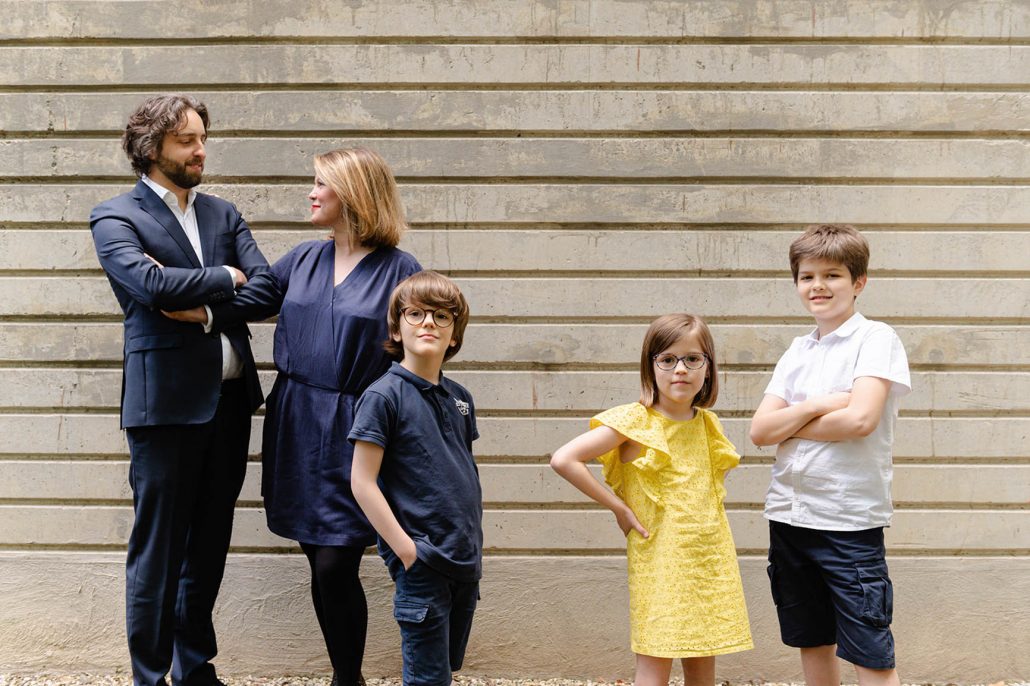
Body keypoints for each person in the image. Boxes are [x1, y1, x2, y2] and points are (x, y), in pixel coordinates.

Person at [90, 94, 273, 686]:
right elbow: (148, 285)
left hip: (229, 405)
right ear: (151, 150)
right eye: (186, 141)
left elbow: (268, 289)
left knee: (209, 547)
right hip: (164, 408)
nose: (200, 151)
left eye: (201, 139)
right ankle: (150, 675)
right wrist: (224, 277)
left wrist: (207, 312)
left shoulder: (223, 213)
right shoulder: (116, 216)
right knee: (158, 552)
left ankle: (195, 669)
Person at [550, 313, 752, 686]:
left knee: (702, 662)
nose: (681, 369)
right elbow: (564, 459)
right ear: (651, 365)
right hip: (659, 562)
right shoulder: (635, 422)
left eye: (693, 359)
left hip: (709, 559)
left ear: (708, 368)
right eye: (668, 359)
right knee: (654, 665)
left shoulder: (708, 424)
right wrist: (619, 506)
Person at [749, 224, 911, 686]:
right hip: (789, 517)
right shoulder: (797, 351)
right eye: (807, 276)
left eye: (832, 275)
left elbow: (860, 420)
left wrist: (792, 426)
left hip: (848, 522)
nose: (818, 286)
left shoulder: (876, 339)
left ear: (858, 282)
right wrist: (819, 405)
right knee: (812, 639)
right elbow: (760, 431)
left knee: (869, 648)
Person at [349, 271, 481, 686]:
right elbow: (362, 482)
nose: (429, 323)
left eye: (442, 316)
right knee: (426, 678)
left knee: (445, 668)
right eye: (417, 313)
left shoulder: (460, 397)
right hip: (422, 561)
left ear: (455, 334)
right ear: (396, 326)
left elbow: (462, 469)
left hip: (464, 559)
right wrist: (406, 550)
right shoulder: (383, 396)